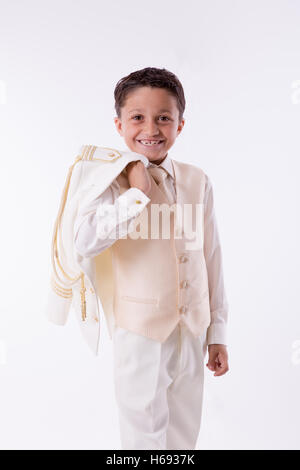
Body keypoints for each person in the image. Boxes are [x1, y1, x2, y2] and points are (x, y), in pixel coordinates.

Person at [74, 67, 229, 450]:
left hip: (192, 329)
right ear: (118, 123)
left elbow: (211, 256)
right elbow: (84, 242)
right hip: (140, 331)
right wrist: (136, 194)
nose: (152, 129)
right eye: (138, 118)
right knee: (143, 436)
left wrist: (217, 333)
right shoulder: (110, 181)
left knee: (183, 434)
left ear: (180, 124)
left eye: (164, 118)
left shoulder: (197, 179)